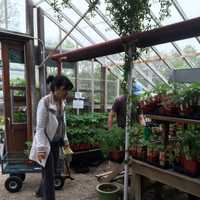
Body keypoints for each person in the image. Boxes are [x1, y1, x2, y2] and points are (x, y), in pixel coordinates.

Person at [29, 75, 73, 200]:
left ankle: (39, 192)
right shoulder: (44, 102)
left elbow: (61, 124)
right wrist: (41, 149)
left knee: (52, 172)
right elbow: (40, 128)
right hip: (45, 143)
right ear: (57, 88)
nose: (67, 93)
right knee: (49, 175)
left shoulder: (62, 103)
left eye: (68, 90)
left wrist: (65, 140)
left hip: (56, 141)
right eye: (65, 89)